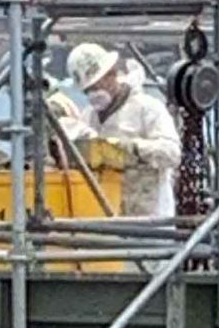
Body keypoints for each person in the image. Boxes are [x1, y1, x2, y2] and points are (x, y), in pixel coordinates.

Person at [66, 42, 180, 220]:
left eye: (97, 86)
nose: (93, 94)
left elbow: (172, 153)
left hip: (150, 216)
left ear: (112, 73)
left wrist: (133, 148)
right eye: (88, 90)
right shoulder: (89, 116)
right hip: (107, 214)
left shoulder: (147, 108)